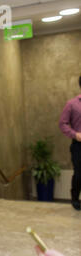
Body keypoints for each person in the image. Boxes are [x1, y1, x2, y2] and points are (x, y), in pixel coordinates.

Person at [59, 75, 81, 210]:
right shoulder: (72, 104)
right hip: (79, 146)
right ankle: (75, 199)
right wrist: (75, 134)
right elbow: (62, 124)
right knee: (79, 173)